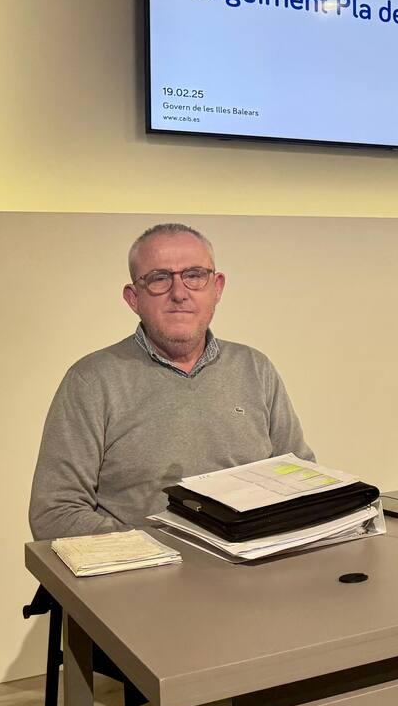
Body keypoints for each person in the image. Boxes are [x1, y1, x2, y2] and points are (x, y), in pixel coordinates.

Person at [29, 223, 313, 540]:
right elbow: (55, 514)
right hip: (144, 568)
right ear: (133, 298)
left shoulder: (255, 369)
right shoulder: (91, 381)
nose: (179, 293)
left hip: (252, 564)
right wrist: (164, 551)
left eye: (194, 275)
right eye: (159, 279)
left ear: (217, 287)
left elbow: (301, 483)